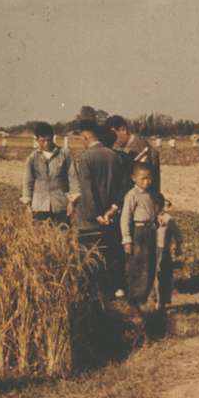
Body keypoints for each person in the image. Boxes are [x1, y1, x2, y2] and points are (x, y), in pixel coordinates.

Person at [72, 119, 125, 301]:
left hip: (91, 221)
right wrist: (111, 211)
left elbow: (87, 191)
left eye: (81, 138)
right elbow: (121, 188)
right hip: (112, 217)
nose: (81, 142)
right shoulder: (114, 155)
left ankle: (94, 293)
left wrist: (96, 215)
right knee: (109, 254)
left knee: (90, 257)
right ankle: (112, 290)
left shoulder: (86, 158)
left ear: (86, 137)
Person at [20, 122, 77, 226]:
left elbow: (73, 179)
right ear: (36, 140)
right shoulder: (32, 158)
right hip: (39, 206)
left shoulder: (64, 154)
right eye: (42, 141)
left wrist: (72, 202)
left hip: (61, 204)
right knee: (40, 237)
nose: (46, 143)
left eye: (49, 140)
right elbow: (28, 182)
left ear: (53, 138)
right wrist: (28, 206)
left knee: (63, 236)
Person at [120, 163, 159, 305]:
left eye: (149, 178)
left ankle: (145, 296)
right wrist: (127, 239)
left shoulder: (151, 194)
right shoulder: (132, 195)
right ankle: (135, 299)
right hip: (139, 232)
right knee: (137, 265)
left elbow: (153, 211)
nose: (147, 182)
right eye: (143, 178)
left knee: (149, 264)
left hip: (150, 230)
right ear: (133, 178)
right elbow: (125, 218)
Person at [106, 114, 161, 196]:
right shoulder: (126, 146)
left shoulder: (139, 147)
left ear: (123, 130)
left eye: (113, 134)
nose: (111, 138)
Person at [151, 198, 183, 311]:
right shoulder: (148, 218)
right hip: (150, 250)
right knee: (152, 275)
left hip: (163, 250)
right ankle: (153, 299)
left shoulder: (168, 219)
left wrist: (178, 247)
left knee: (162, 275)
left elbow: (178, 234)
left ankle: (161, 301)